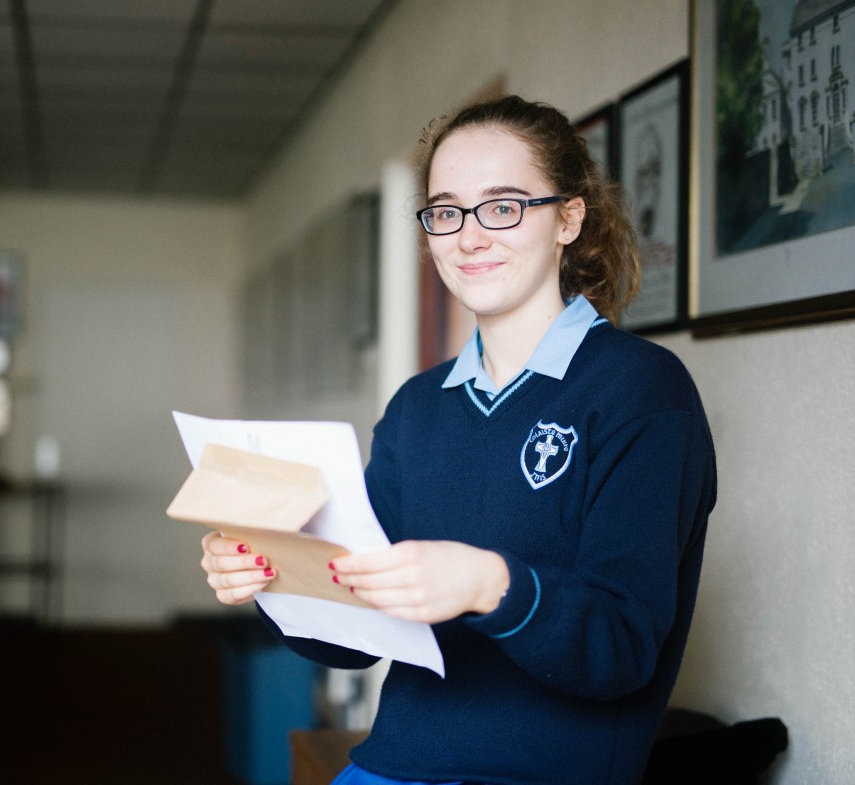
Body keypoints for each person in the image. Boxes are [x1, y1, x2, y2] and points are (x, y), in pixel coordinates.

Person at [199, 95, 716, 785]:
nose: (469, 237)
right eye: (446, 212)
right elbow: (355, 642)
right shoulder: (417, 408)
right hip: (389, 766)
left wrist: (488, 584)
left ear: (568, 220)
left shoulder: (642, 389)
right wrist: (272, 576)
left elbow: (620, 650)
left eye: (503, 207)